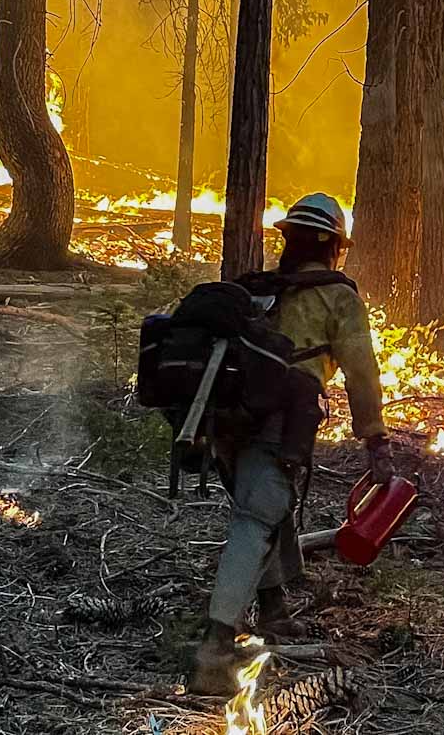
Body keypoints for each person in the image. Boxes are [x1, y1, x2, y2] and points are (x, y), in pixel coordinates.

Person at [188, 192, 394, 694]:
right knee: (258, 516)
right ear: (333, 247)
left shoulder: (260, 290)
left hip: (224, 420)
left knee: (267, 504)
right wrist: (375, 438)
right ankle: (215, 650)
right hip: (277, 422)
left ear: (289, 240)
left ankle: (274, 609)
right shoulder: (337, 296)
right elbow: (361, 372)